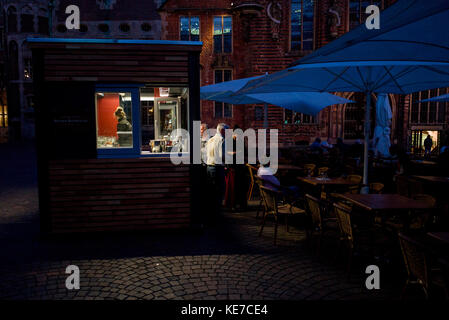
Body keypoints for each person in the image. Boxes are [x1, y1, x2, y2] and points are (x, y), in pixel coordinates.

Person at [205, 123, 228, 223]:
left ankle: (211, 215)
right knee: (219, 191)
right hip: (217, 168)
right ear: (223, 131)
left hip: (209, 167)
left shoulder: (211, 139)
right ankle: (217, 216)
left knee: (211, 192)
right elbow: (221, 156)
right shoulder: (221, 140)